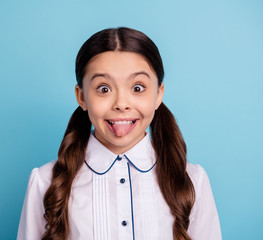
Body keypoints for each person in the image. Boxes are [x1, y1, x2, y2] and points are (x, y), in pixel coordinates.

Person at [17, 27, 222, 240]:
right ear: (81, 97)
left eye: (138, 88)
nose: (121, 104)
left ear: (159, 94)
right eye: (104, 88)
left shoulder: (193, 181)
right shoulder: (45, 182)